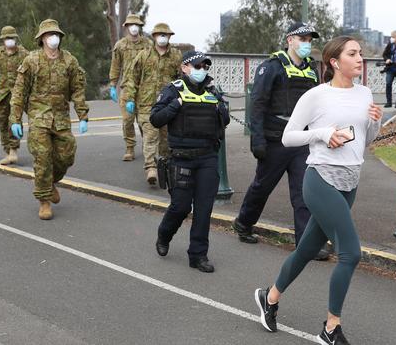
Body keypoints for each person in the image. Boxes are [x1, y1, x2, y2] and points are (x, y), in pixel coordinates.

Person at [253, 36, 382, 345]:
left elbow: (367, 140)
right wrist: (324, 134)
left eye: (360, 53)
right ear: (335, 62)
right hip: (320, 179)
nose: (359, 58)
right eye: (352, 54)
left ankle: (268, 298)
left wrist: (375, 122)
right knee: (350, 253)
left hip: (350, 182)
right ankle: (331, 328)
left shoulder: (365, 93)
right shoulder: (316, 95)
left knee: (307, 249)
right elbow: (288, 137)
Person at [232, 22, 329, 260]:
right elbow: (258, 104)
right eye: (302, 39)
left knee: (304, 192)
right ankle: (243, 223)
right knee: (261, 187)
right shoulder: (272, 67)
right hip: (276, 140)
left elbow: (317, 106)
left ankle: (306, 244)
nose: (307, 44)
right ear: (290, 40)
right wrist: (258, 140)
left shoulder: (311, 70)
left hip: (301, 141)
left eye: (309, 40)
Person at [149, 51, 230, 273]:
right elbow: (155, 119)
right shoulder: (173, 90)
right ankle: (164, 234)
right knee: (181, 206)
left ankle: (198, 255)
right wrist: (175, 105)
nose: (202, 69)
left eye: (205, 65)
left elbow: (226, 120)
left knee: (204, 209)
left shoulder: (212, 90)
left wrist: (221, 108)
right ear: (184, 67)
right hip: (182, 159)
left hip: (207, 157)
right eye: (197, 65)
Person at [9, 19, 89, 220]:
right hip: (38, 118)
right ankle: (44, 201)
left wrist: (82, 115)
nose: (53, 38)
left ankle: (50, 182)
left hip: (61, 118)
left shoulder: (70, 61)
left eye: (56, 35)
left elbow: (77, 89)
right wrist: (15, 119)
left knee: (66, 155)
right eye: (48, 35)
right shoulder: (31, 61)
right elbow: (19, 92)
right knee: (42, 158)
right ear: (42, 39)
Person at [124, 23, 181, 185]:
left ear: (169, 37)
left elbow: (182, 80)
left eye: (165, 35)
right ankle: (150, 168)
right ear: (154, 37)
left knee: (166, 141)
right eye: (159, 34)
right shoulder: (144, 55)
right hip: (146, 105)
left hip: (168, 106)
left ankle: (164, 167)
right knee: (150, 137)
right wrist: (129, 98)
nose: (162, 37)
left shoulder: (176, 56)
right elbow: (132, 78)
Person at [0, 25, 29, 165]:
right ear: (3, 40)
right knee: (3, 124)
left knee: (14, 122)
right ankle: (7, 151)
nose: (9, 40)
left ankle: (13, 150)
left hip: (18, 95)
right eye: (7, 38)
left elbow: (33, 71)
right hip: (2, 95)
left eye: (12, 38)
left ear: (15, 38)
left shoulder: (24, 54)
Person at [108, 14, 153, 161]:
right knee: (128, 120)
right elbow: (115, 66)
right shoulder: (120, 45)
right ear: (126, 27)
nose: (133, 27)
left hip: (145, 88)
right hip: (127, 88)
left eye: (136, 25)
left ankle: (148, 147)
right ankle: (129, 147)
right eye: (130, 25)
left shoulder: (148, 44)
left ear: (139, 26)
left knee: (144, 120)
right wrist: (113, 85)